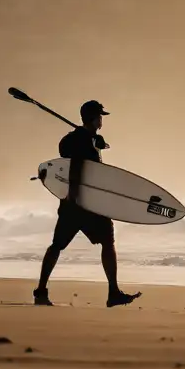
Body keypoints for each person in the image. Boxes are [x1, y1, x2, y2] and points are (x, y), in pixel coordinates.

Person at [34, 100, 141, 308]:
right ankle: (113, 292)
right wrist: (74, 195)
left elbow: (73, 154)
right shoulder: (81, 141)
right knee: (107, 242)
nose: (102, 120)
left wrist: (96, 142)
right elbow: (76, 166)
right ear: (93, 118)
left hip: (74, 203)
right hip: (84, 203)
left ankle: (40, 291)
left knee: (57, 245)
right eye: (100, 116)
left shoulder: (84, 139)